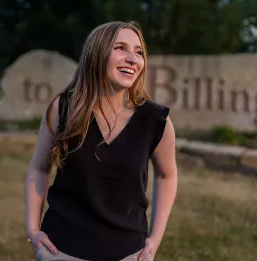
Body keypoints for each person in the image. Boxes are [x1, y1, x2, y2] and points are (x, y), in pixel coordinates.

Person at [24, 21, 178, 261]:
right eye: (120, 48)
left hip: (128, 253)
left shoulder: (156, 121)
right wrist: (33, 230)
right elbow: (39, 167)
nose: (132, 58)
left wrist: (155, 239)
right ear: (96, 54)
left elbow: (167, 175)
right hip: (61, 250)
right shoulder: (63, 109)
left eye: (138, 52)